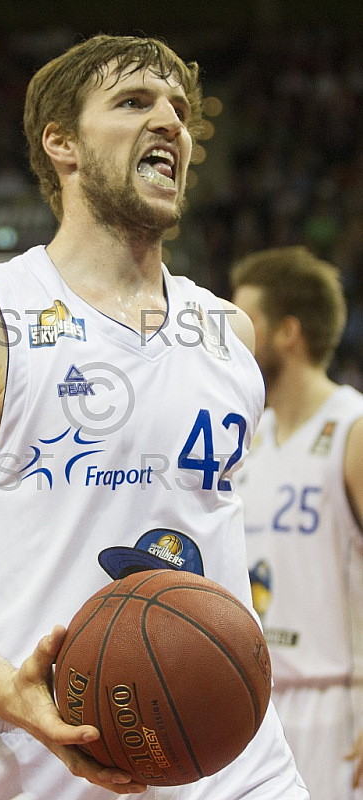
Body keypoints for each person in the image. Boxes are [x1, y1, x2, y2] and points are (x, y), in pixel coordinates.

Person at [0, 35, 307, 800]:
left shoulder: (230, 332)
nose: (170, 122)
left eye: (180, 110)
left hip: (237, 762)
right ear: (60, 143)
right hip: (40, 756)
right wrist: (7, 690)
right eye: (134, 102)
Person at [231, 245, 363, 800]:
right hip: (255, 708)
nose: (232, 335)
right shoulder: (246, 441)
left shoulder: (351, 429)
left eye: (246, 321)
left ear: (288, 332)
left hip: (338, 704)